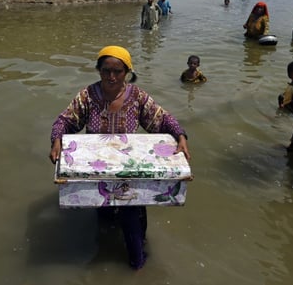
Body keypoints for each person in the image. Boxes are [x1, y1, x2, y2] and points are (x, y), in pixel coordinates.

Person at [49, 45, 190, 270]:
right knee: (103, 216)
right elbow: (65, 120)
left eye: (118, 71)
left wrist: (180, 135)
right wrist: (57, 139)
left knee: (132, 219)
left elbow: (162, 119)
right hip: (98, 170)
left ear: (127, 72)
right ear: (99, 70)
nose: (111, 77)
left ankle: (137, 265)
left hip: (129, 169)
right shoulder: (87, 96)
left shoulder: (137, 97)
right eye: (106, 71)